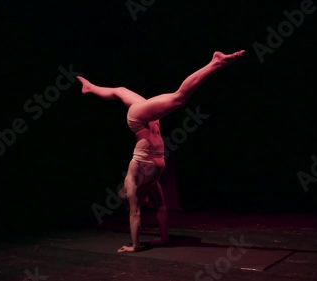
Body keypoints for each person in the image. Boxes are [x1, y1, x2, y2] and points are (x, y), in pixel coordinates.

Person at [76, 50, 245, 252]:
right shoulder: (151, 182)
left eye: (141, 200)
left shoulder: (133, 181)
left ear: (133, 195)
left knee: (179, 98)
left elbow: (134, 213)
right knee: (120, 90)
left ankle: (215, 63)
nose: (146, 202)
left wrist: (135, 246)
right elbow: (161, 208)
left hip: (137, 120)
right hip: (149, 122)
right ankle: (90, 87)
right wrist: (164, 238)